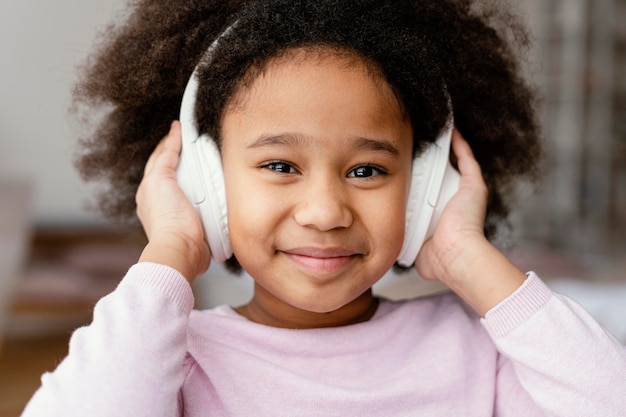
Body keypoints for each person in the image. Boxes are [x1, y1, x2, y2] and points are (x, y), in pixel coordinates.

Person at [22, 0, 626, 416]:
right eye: (281, 166)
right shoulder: (169, 360)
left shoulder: (473, 351)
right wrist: (172, 252)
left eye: (367, 170)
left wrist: (472, 260)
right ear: (206, 182)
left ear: (423, 190)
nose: (324, 211)